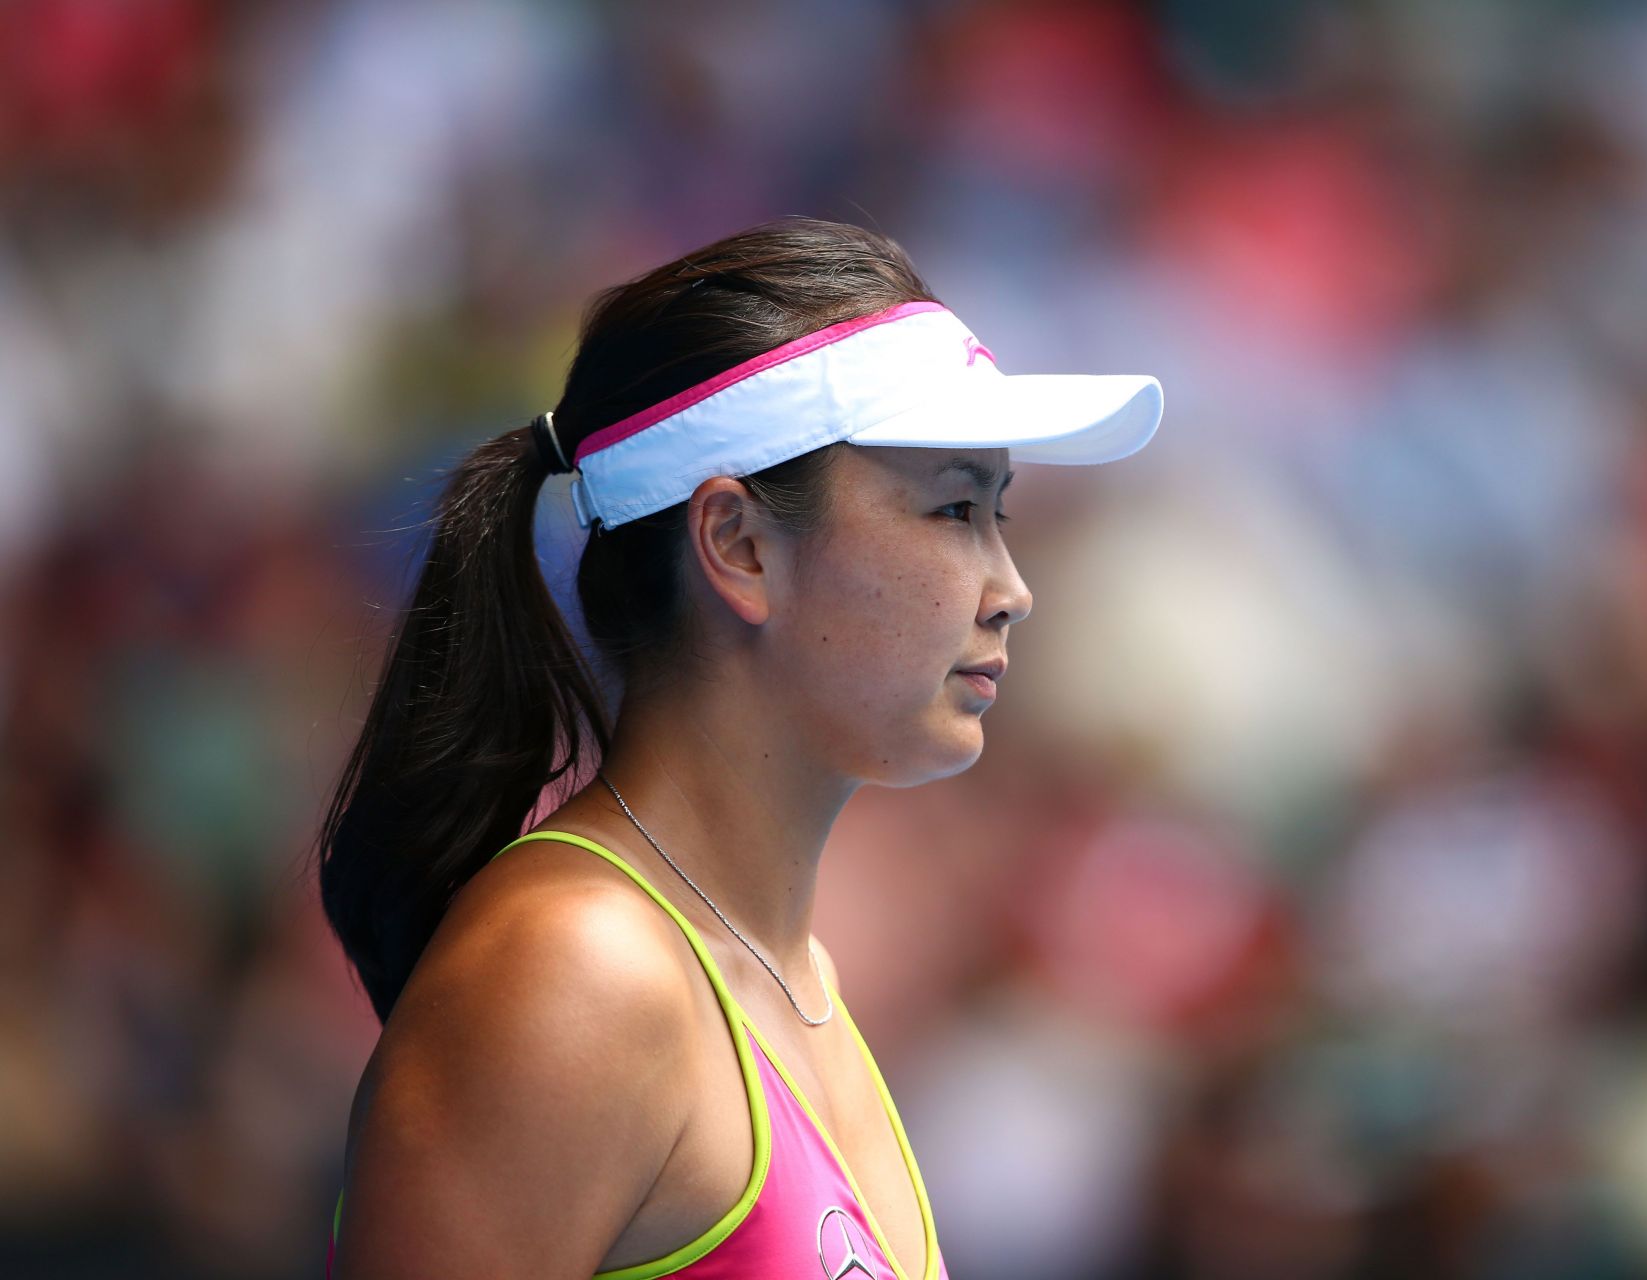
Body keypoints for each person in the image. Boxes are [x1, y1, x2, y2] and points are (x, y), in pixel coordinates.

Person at [315, 215, 1163, 1279]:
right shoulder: (578, 975)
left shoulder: (803, 986)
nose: (1011, 589)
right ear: (739, 544)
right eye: (953, 508)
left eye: (999, 514)